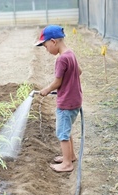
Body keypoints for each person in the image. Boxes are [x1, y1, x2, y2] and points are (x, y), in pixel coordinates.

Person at [35, 25, 82, 173]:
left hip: (66, 103)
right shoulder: (71, 54)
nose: (46, 49)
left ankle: (67, 164)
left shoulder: (61, 59)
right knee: (66, 131)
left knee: (62, 133)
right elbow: (79, 71)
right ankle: (71, 156)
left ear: (53, 42)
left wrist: (46, 90)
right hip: (75, 100)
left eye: (46, 46)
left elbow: (57, 82)